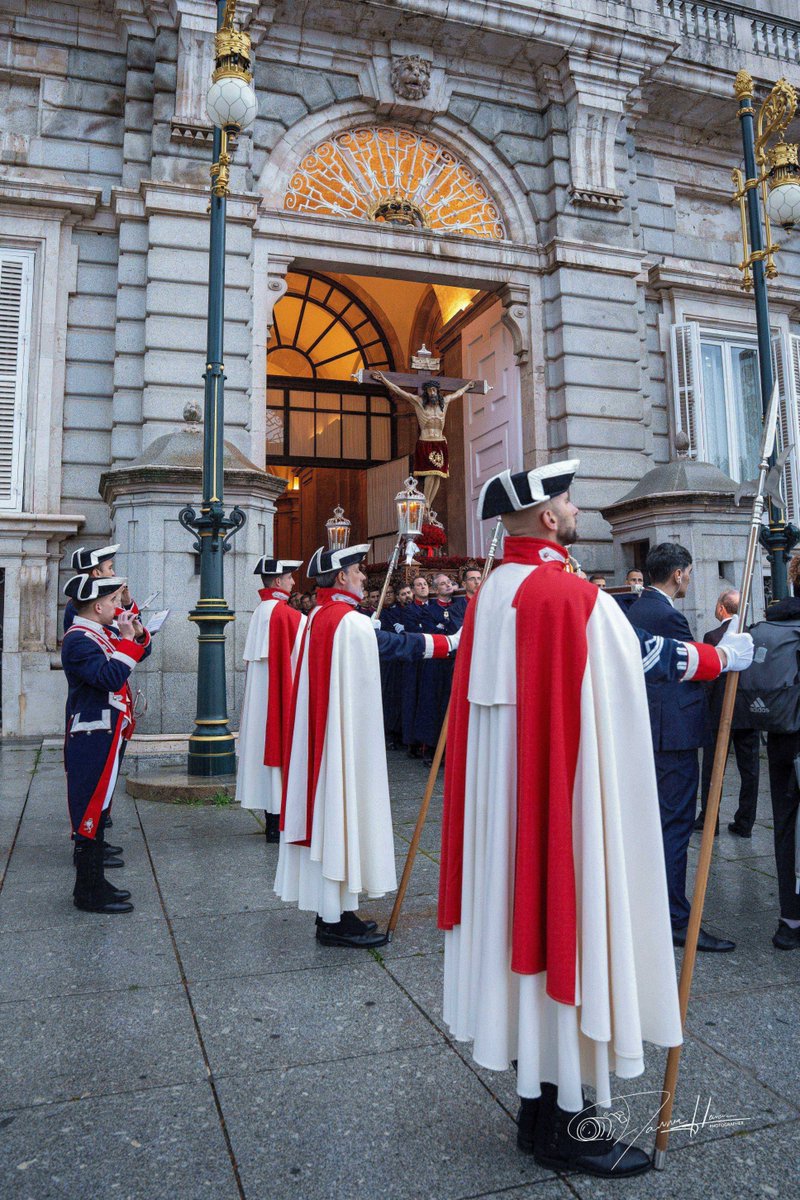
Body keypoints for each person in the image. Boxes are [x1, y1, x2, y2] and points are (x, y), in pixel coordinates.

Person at [438, 461, 753, 1177]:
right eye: (568, 500)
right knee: (570, 932)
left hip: (510, 809)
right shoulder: (568, 597)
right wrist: (720, 655)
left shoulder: (495, 591)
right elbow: (639, 660)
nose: (576, 509)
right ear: (548, 518)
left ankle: (537, 1110)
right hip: (564, 801)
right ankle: (569, 1129)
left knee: (532, 932)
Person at [275, 543, 458, 947]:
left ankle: (337, 911)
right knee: (342, 816)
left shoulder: (317, 616)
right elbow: (394, 647)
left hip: (322, 738)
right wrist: (450, 643)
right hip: (340, 740)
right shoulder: (346, 621)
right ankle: (335, 920)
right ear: (340, 577)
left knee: (332, 818)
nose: (362, 576)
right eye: (357, 570)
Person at [628, 544, 736, 953]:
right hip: (669, 736)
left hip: (652, 734)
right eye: (688, 572)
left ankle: (652, 907)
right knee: (673, 828)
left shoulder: (639, 609)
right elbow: (679, 669)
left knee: (655, 826)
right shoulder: (665, 615)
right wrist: (723, 658)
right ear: (677, 574)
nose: (689, 578)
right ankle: (675, 918)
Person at [61, 574, 152, 914]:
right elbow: (110, 676)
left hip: (107, 730)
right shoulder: (79, 640)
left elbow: (136, 655)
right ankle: (86, 890)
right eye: (113, 602)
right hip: (92, 734)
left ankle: (96, 881)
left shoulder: (99, 632)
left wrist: (137, 635)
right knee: (89, 809)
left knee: (98, 810)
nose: (118, 607)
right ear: (97, 607)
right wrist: (128, 639)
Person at [235, 557, 305, 843]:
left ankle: (272, 820)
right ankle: (281, 821)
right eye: (289, 578)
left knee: (264, 752)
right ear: (277, 582)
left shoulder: (260, 611)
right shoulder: (287, 614)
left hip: (261, 700)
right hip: (281, 695)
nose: (293, 582)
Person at [694, 587, 760, 839]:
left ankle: (710, 818)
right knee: (750, 768)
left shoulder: (713, 636)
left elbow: (709, 678)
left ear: (722, 607)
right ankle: (745, 822)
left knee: (713, 768)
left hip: (721, 712)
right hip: (748, 711)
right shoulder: (751, 634)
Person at [372, 371, 475, 508]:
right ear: (426, 392)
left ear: (438, 391)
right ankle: (425, 501)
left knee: (439, 475)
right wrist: (384, 380)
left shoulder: (444, 402)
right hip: (426, 442)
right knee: (430, 473)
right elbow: (399, 391)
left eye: (434, 390)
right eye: (429, 390)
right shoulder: (419, 402)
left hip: (440, 443)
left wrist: (467, 386)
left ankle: (428, 504)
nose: (432, 392)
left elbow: (458, 394)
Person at [414, 571, 463, 763]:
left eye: (450, 582)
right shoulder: (429, 609)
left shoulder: (458, 607)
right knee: (433, 705)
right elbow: (432, 630)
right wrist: (442, 626)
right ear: (435, 589)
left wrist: (444, 626)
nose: (448, 585)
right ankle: (431, 749)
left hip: (452, 662)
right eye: (442, 584)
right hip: (435, 663)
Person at [64, 544, 139, 633]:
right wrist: (116, 601)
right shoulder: (82, 602)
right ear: (97, 573)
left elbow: (138, 629)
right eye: (110, 568)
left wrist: (127, 603)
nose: (113, 573)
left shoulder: (104, 598)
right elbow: (118, 633)